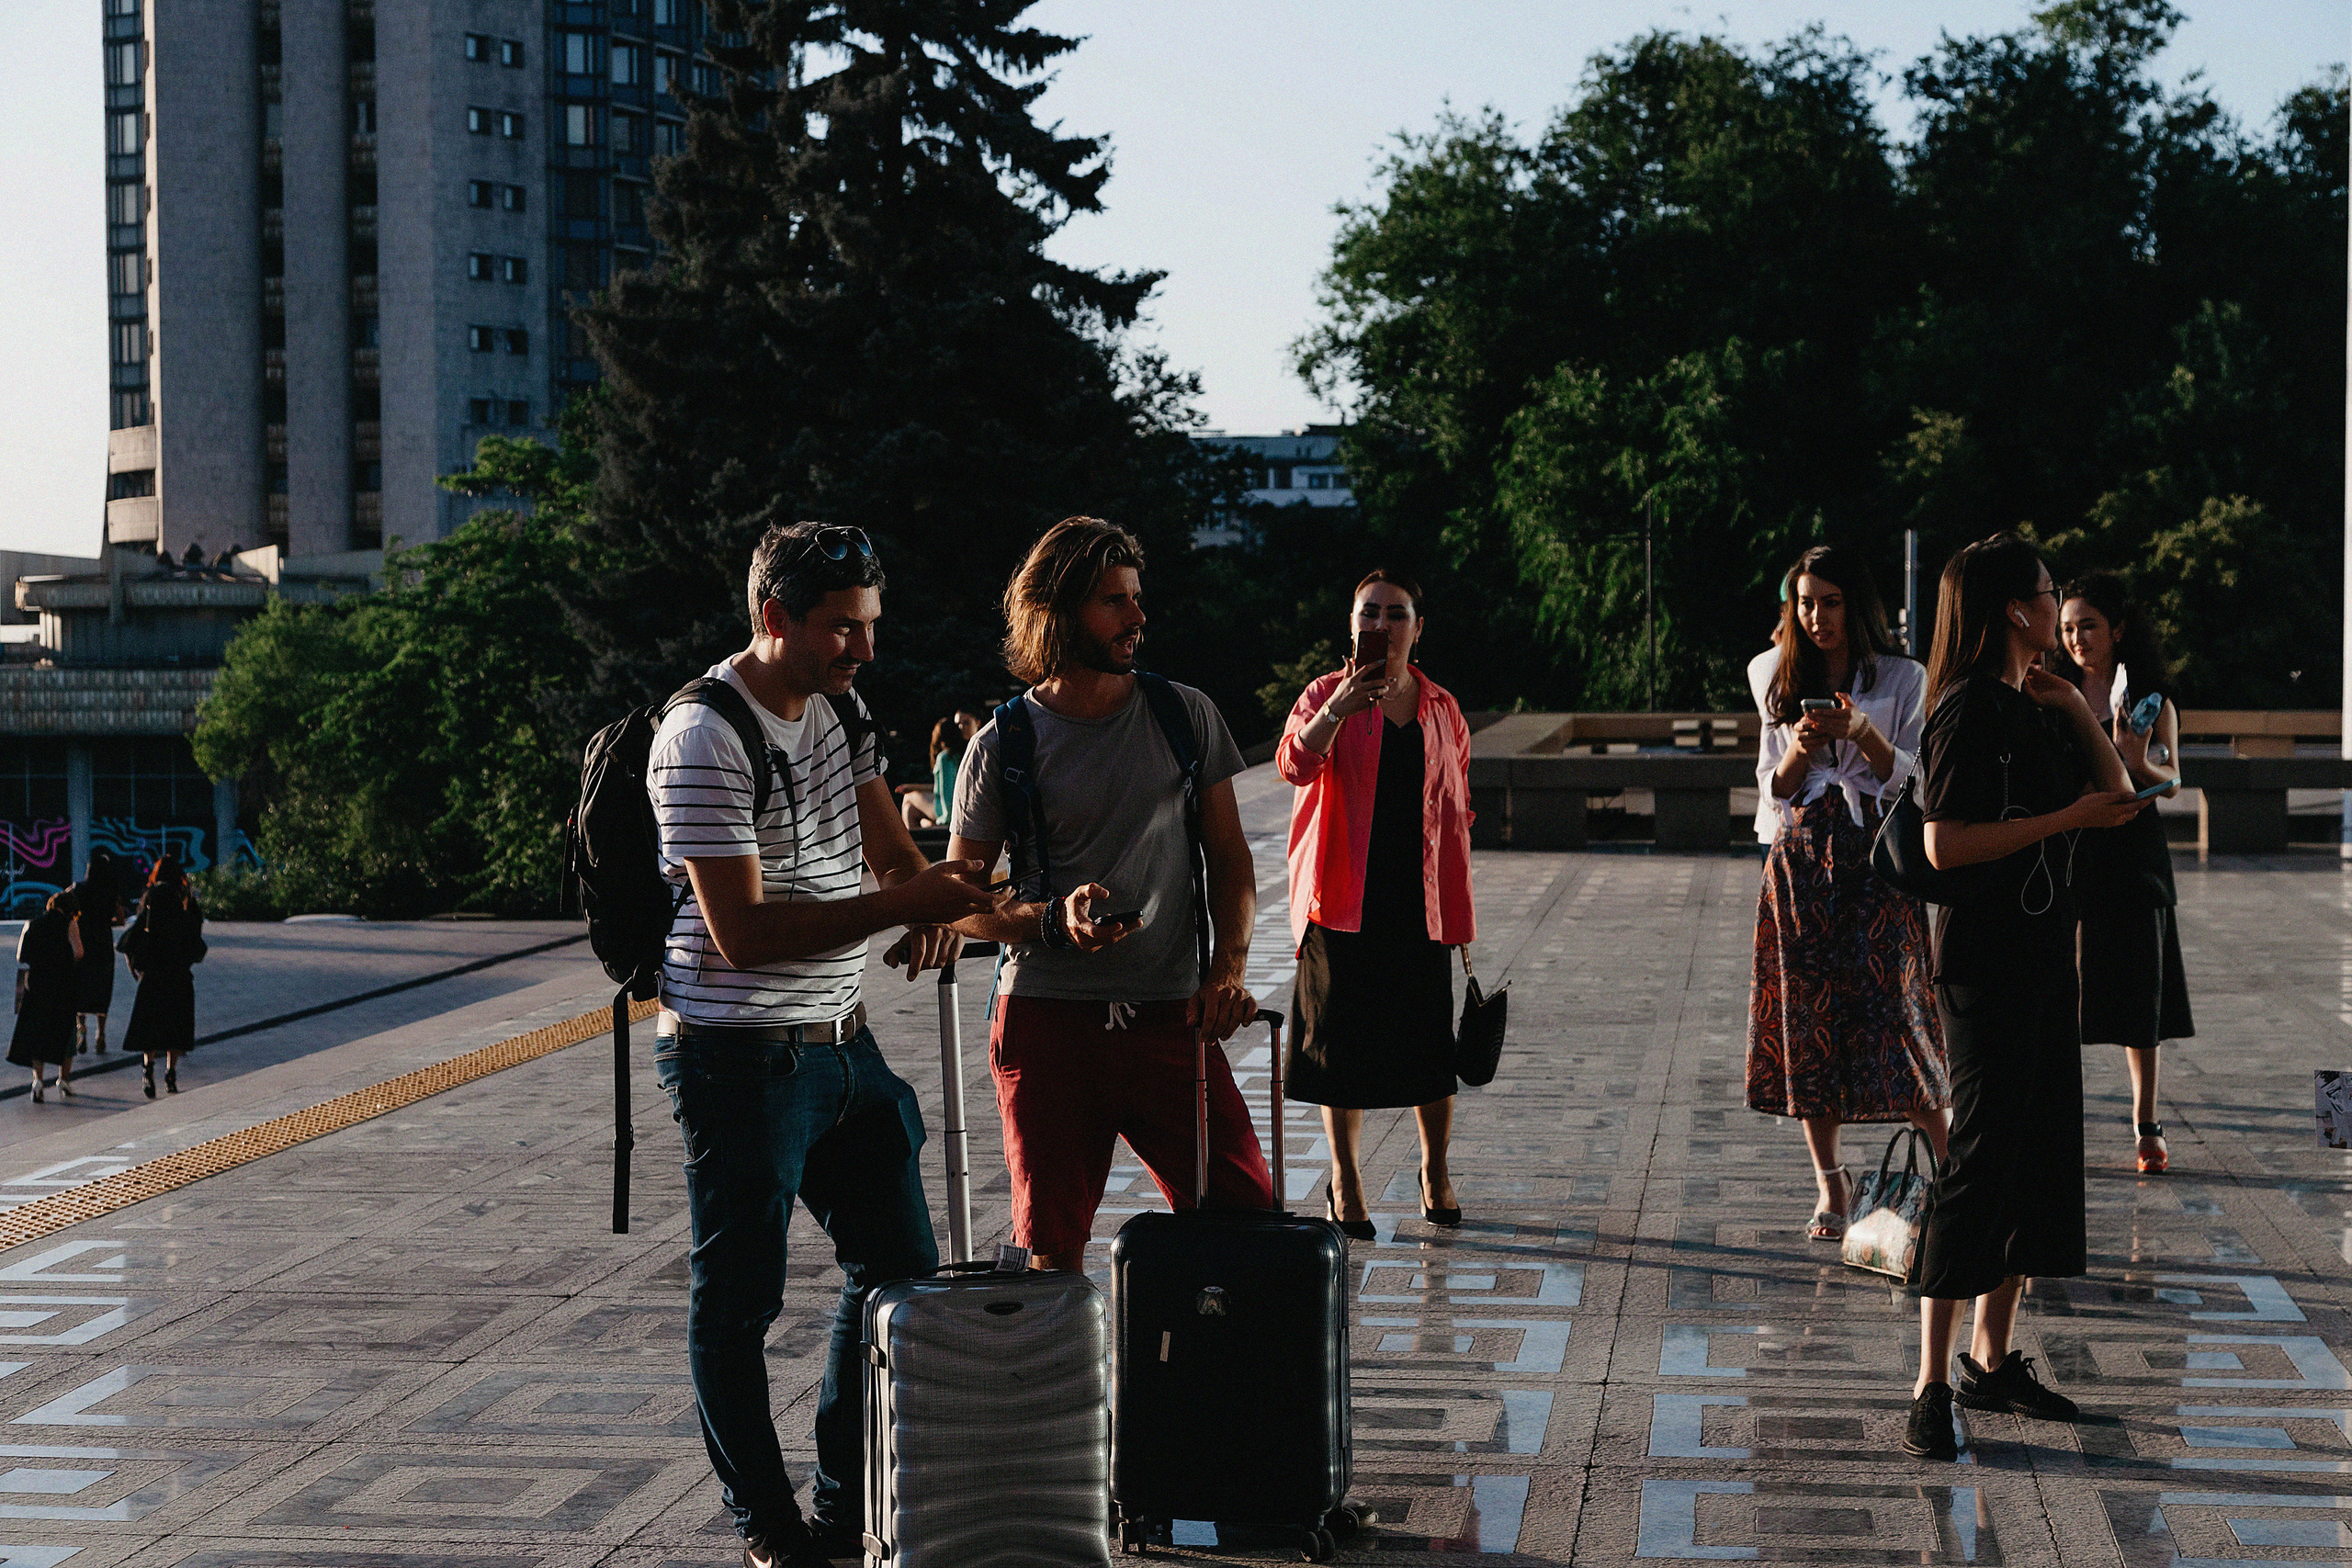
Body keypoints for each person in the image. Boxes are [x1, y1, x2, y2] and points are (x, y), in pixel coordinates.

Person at [646, 519, 994, 1568]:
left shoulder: (839, 713)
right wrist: (903, 906)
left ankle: (843, 1507)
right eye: (841, 629)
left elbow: (892, 855)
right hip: (737, 1056)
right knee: (739, 1304)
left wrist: (929, 898)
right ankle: (770, 1526)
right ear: (773, 618)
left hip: (843, 1045)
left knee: (897, 1269)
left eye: (870, 626)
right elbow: (742, 936)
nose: (863, 649)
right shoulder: (705, 736)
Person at [947, 515, 1269, 1274]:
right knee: (1051, 1250)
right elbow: (959, 901)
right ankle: (1067, 1390)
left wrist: (1228, 969)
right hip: (1049, 1026)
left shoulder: (1182, 714)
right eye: (1113, 601)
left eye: (1136, 597)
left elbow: (1231, 860)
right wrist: (1051, 921)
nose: (1138, 616)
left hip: (1171, 1017)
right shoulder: (1002, 744)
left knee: (1246, 1218)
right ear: (1059, 613)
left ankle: (1200, 1388)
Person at [1902, 533, 2146, 1461]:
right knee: (1979, 1159)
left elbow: (2119, 794)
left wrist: (2072, 712)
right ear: (2014, 608)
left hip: (2047, 958)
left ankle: (1991, 1358)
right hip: (1983, 966)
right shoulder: (1964, 710)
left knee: (2035, 1160)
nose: (2057, 609)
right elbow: (1943, 846)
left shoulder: (2031, 703)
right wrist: (2060, 820)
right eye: (2046, 595)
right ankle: (1929, 1381)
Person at [1745, 546, 1948, 1240]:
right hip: (1800, 863)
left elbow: (1916, 779)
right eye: (1805, 602)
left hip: (1877, 864)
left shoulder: (1902, 676)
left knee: (1903, 1016)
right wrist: (1802, 746)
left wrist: (1864, 731)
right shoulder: (1772, 672)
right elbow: (1773, 784)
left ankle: (1952, 1169)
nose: (1817, 616)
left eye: (1830, 602)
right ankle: (1830, 1184)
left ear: (1855, 606)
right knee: (1808, 1023)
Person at [1275, 569, 1476, 1238]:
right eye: (1369, 613)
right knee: (1339, 1051)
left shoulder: (1442, 707)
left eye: (1396, 614)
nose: (1380, 626)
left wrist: (1457, 901)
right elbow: (1293, 765)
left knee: (1429, 1045)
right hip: (1340, 901)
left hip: (1418, 900)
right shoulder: (1323, 695)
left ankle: (1435, 1170)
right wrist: (1338, 711)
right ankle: (1346, 1180)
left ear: (1418, 629)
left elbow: (1458, 806)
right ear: (1351, 624)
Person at [2056, 572, 2193, 1174]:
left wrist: (2136, 759)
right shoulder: (2050, 690)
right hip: (2070, 852)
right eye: (2066, 627)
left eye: (2088, 625)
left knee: (2142, 996)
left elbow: (2171, 781)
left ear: (2116, 628)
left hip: (2134, 859)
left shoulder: (2149, 699)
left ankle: (2146, 1121)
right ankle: (2056, 1117)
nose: (2077, 638)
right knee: (2062, 992)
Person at [120, 855, 205, 1098]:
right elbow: (195, 934)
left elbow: (136, 932)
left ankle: (147, 1070)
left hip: (154, 970)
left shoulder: (151, 896)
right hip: (177, 970)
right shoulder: (185, 898)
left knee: (150, 1025)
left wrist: (134, 963)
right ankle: (171, 1074)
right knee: (176, 1026)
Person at [11, 888, 83, 1101]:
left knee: (38, 1032)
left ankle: (38, 1082)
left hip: (37, 985)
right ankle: (64, 1079)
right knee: (65, 1031)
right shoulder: (69, 924)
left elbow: (20, 956)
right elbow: (78, 952)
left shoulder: (31, 924)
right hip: (62, 984)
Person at [69, 852, 124, 1055]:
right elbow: (121, 920)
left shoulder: (78, 889)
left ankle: (80, 1030)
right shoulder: (111, 892)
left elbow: (61, 901)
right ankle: (100, 1034)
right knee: (102, 988)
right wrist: (105, 922)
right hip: (102, 945)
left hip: (82, 944)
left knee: (80, 987)